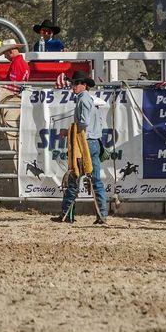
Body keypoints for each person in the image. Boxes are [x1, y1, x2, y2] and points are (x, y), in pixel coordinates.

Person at [53, 72, 108, 225]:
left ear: (84, 85)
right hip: (95, 142)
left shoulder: (83, 100)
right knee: (96, 180)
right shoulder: (91, 101)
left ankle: (67, 215)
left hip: (86, 143)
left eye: (76, 84)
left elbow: (83, 123)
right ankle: (101, 215)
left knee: (74, 177)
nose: (73, 87)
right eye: (73, 84)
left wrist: (68, 131)